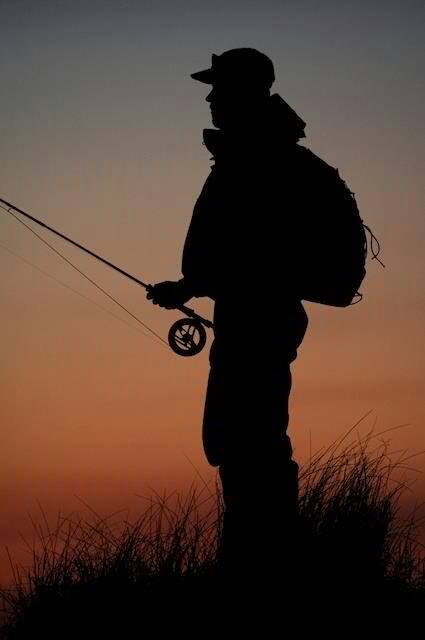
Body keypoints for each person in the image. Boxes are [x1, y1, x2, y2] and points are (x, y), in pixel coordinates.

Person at [147, 48, 309, 577]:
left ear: (246, 91)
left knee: (247, 444)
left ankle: (258, 565)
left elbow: (254, 251)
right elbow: (245, 252)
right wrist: (192, 287)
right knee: (244, 443)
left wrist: (192, 286)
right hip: (253, 318)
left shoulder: (258, 158)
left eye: (219, 88)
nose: (212, 98)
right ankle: (257, 558)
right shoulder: (256, 152)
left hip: (257, 322)